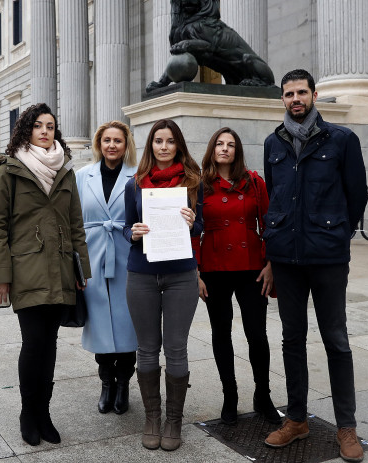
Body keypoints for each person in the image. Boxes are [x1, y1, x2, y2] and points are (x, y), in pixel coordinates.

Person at [262, 69, 368, 463]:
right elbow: (274, 197)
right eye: (289, 94)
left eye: (301, 92)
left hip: (327, 258)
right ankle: (297, 419)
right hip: (286, 259)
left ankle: (346, 426)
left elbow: (356, 195)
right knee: (292, 341)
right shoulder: (274, 142)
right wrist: (273, 251)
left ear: (314, 95)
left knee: (335, 340)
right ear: (283, 99)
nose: (295, 99)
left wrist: (339, 236)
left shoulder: (341, 139)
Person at [0, 102, 90, 448]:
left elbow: (76, 225)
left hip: (61, 269)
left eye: (50, 126)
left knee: (51, 345)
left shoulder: (66, 171)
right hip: (26, 270)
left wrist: (82, 270)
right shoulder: (10, 170)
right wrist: (0, 275)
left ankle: (44, 414)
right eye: (38, 126)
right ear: (27, 130)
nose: (45, 131)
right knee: (33, 344)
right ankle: (28, 414)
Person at [123, 118, 202, 452]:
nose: (164, 147)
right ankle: (152, 417)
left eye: (170, 141)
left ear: (178, 145)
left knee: (176, 348)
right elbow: (127, 227)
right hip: (142, 272)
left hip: (181, 275)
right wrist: (133, 232)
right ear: (150, 145)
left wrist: (193, 223)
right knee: (146, 348)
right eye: (158, 141)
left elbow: (203, 231)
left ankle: (174, 420)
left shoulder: (195, 182)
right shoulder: (136, 184)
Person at [194, 127, 280, 426]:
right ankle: (229, 395)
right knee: (221, 333)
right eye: (219, 143)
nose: (225, 149)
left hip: (251, 266)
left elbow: (270, 223)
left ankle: (263, 395)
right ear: (212, 149)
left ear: (237, 151)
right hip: (214, 267)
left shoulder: (254, 182)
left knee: (257, 334)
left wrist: (270, 263)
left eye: (231, 144)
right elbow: (192, 230)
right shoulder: (200, 185)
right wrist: (195, 270)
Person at [75, 121, 139, 415]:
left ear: (126, 146)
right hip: (92, 255)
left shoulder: (138, 176)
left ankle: (124, 382)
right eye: (107, 140)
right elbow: (73, 220)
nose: (112, 145)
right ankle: (106, 382)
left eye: (118, 141)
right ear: (99, 144)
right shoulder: (81, 176)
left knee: (128, 322)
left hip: (127, 255)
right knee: (99, 321)